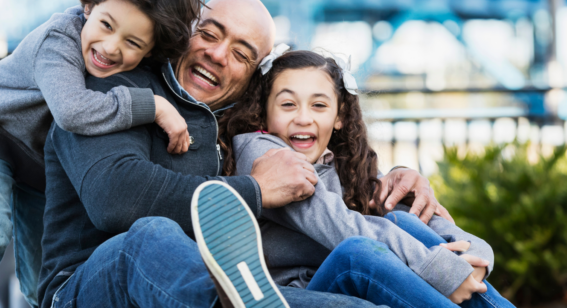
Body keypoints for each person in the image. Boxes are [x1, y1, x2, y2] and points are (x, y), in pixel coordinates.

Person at [38, 0, 453, 308]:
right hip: (88, 285)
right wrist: (253, 190)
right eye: (209, 33)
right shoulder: (114, 89)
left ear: (252, 78)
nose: (217, 55)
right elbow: (116, 198)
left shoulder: (236, 132)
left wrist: (390, 182)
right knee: (150, 235)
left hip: (232, 285)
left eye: (240, 54)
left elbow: (327, 205)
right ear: (184, 33)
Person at [0, 0, 204, 308]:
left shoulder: (127, 67)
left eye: (132, 42)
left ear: (149, 53)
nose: (110, 46)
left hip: (36, 156)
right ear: (88, 6)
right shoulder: (59, 39)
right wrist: (152, 106)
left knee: (42, 261)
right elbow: (72, 111)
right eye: (106, 24)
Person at [219, 49, 516, 307]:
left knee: (404, 221)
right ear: (264, 113)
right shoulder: (264, 155)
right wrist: (435, 268)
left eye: (319, 105)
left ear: (339, 117)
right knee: (356, 253)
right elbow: (343, 226)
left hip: (350, 291)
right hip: (297, 297)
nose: (303, 117)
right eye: (287, 105)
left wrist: (474, 258)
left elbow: (425, 221)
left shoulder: (345, 165)